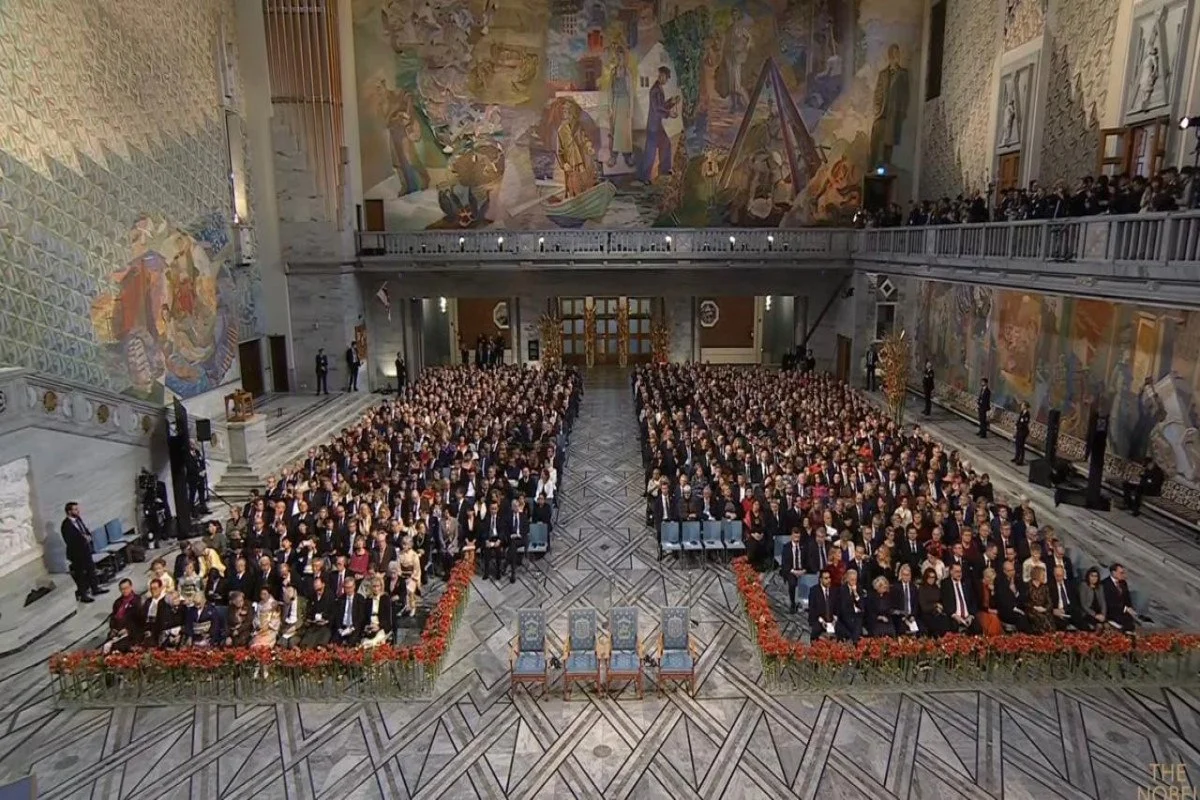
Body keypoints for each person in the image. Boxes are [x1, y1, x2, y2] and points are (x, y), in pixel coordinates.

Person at [638, 66, 678, 183]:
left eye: (664, 77)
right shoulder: (655, 90)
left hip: (657, 125)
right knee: (650, 152)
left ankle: (664, 170)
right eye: (662, 76)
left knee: (666, 143)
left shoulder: (659, 88)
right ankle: (645, 177)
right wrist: (669, 113)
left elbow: (661, 106)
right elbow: (656, 109)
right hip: (653, 126)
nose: (664, 79)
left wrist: (671, 102)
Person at [61, 502, 107, 603]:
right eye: (75, 509)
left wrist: (89, 536)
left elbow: (84, 530)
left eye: (77, 509)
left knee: (91, 569)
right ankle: (83, 594)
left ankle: (95, 588)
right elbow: (70, 540)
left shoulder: (78, 520)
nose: (78, 511)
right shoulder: (66, 525)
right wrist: (83, 539)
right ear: (69, 511)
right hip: (77, 553)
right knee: (80, 574)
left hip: (86, 550)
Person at [102, 579, 144, 654]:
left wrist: (128, 629)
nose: (124, 591)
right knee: (106, 646)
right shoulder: (117, 602)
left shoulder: (137, 601)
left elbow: (139, 620)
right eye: (122, 589)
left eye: (126, 588)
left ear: (131, 587)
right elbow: (113, 617)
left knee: (117, 647)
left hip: (131, 633)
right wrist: (113, 629)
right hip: (117, 632)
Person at [1103, 563, 1137, 631]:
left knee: (1131, 622)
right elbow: (1108, 602)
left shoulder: (1123, 583)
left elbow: (1127, 598)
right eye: (1121, 573)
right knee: (1126, 624)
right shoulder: (1105, 584)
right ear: (1113, 573)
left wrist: (1130, 608)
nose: (1123, 575)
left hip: (1122, 612)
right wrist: (1125, 608)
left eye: (1123, 573)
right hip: (1111, 612)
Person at [807, 569, 836, 640]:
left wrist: (835, 619)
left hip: (832, 620)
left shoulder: (834, 590)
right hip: (819, 619)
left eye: (829, 578)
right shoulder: (814, 591)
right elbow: (812, 609)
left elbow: (837, 608)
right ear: (820, 579)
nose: (829, 580)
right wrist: (822, 621)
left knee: (842, 631)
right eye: (826, 578)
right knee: (815, 632)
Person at [1024, 565, 1054, 634]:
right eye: (1043, 575)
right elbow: (1025, 601)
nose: (1044, 577)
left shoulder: (1045, 587)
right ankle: (1042, 636)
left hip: (1043, 609)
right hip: (1031, 610)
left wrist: (1045, 609)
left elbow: (1049, 601)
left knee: (1049, 616)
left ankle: (1050, 636)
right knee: (1041, 617)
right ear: (1037, 574)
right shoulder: (1027, 586)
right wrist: (1035, 607)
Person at [781, 529, 805, 613]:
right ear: (791, 536)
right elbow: (784, 563)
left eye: (798, 536)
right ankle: (792, 603)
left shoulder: (804, 546)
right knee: (792, 583)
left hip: (802, 570)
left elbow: (808, 560)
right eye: (795, 536)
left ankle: (807, 603)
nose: (796, 538)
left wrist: (803, 571)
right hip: (791, 570)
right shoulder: (786, 547)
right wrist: (794, 572)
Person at [1077, 567, 1107, 631]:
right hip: (1088, 613)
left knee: (1107, 625)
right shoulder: (1083, 586)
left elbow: (1103, 602)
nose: (1094, 578)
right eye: (1092, 576)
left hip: (1099, 613)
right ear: (1088, 576)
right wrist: (1095, 615)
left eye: (1096, 576)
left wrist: (1103, 614)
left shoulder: (1100, 587)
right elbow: (1083, 604)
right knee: (1098, 625)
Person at [1013, 401, 1030, 466]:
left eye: (1022, 405)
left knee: (1021, 446)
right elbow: (1019, 421)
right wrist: (1016, 426)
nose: (1021, 406)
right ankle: (1016, 457)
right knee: (1017, 444)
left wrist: (1019, 426)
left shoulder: (1027, 414)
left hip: (1023, 432)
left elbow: (1024, 424)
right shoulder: (1022, 413)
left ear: (1025, 406)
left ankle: (1021, 460)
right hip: (1019, 431)